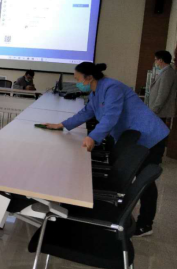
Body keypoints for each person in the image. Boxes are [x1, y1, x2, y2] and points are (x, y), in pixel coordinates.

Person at [44, 62, 169, 237]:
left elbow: (111, 116)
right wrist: (62, 125)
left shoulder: (112, 88)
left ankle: (145, 224)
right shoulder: (96, 92)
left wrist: (93, 137)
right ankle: (129, 216)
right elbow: (86, 112)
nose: (77, 83)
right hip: (134, 137)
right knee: (137, 174)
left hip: (151, 135)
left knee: (144, 179)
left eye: (78, 79)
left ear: (89, 78)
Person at [149, 50, 177, 126]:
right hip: (158, 110)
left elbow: (163, 93)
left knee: (158, 130)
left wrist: (155, 109)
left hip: (160, 111)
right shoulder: (164, 71)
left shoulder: (168, 73)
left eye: (156, 59)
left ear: (161, 60)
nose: (155, 62)